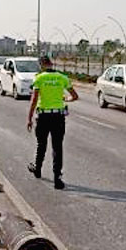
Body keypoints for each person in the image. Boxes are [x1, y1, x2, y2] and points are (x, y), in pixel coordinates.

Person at [26, 56, 78, 190]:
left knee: (41, 144)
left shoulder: (39, 78)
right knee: (57, 147)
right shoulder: (62, 78)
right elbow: (75, 96)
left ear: (42, 65)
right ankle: (57, 179)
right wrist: (65, 99)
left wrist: (29, 118)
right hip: (58, 117)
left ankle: (37, 169)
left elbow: (34, 99)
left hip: (43, 116)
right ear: (51, 63)